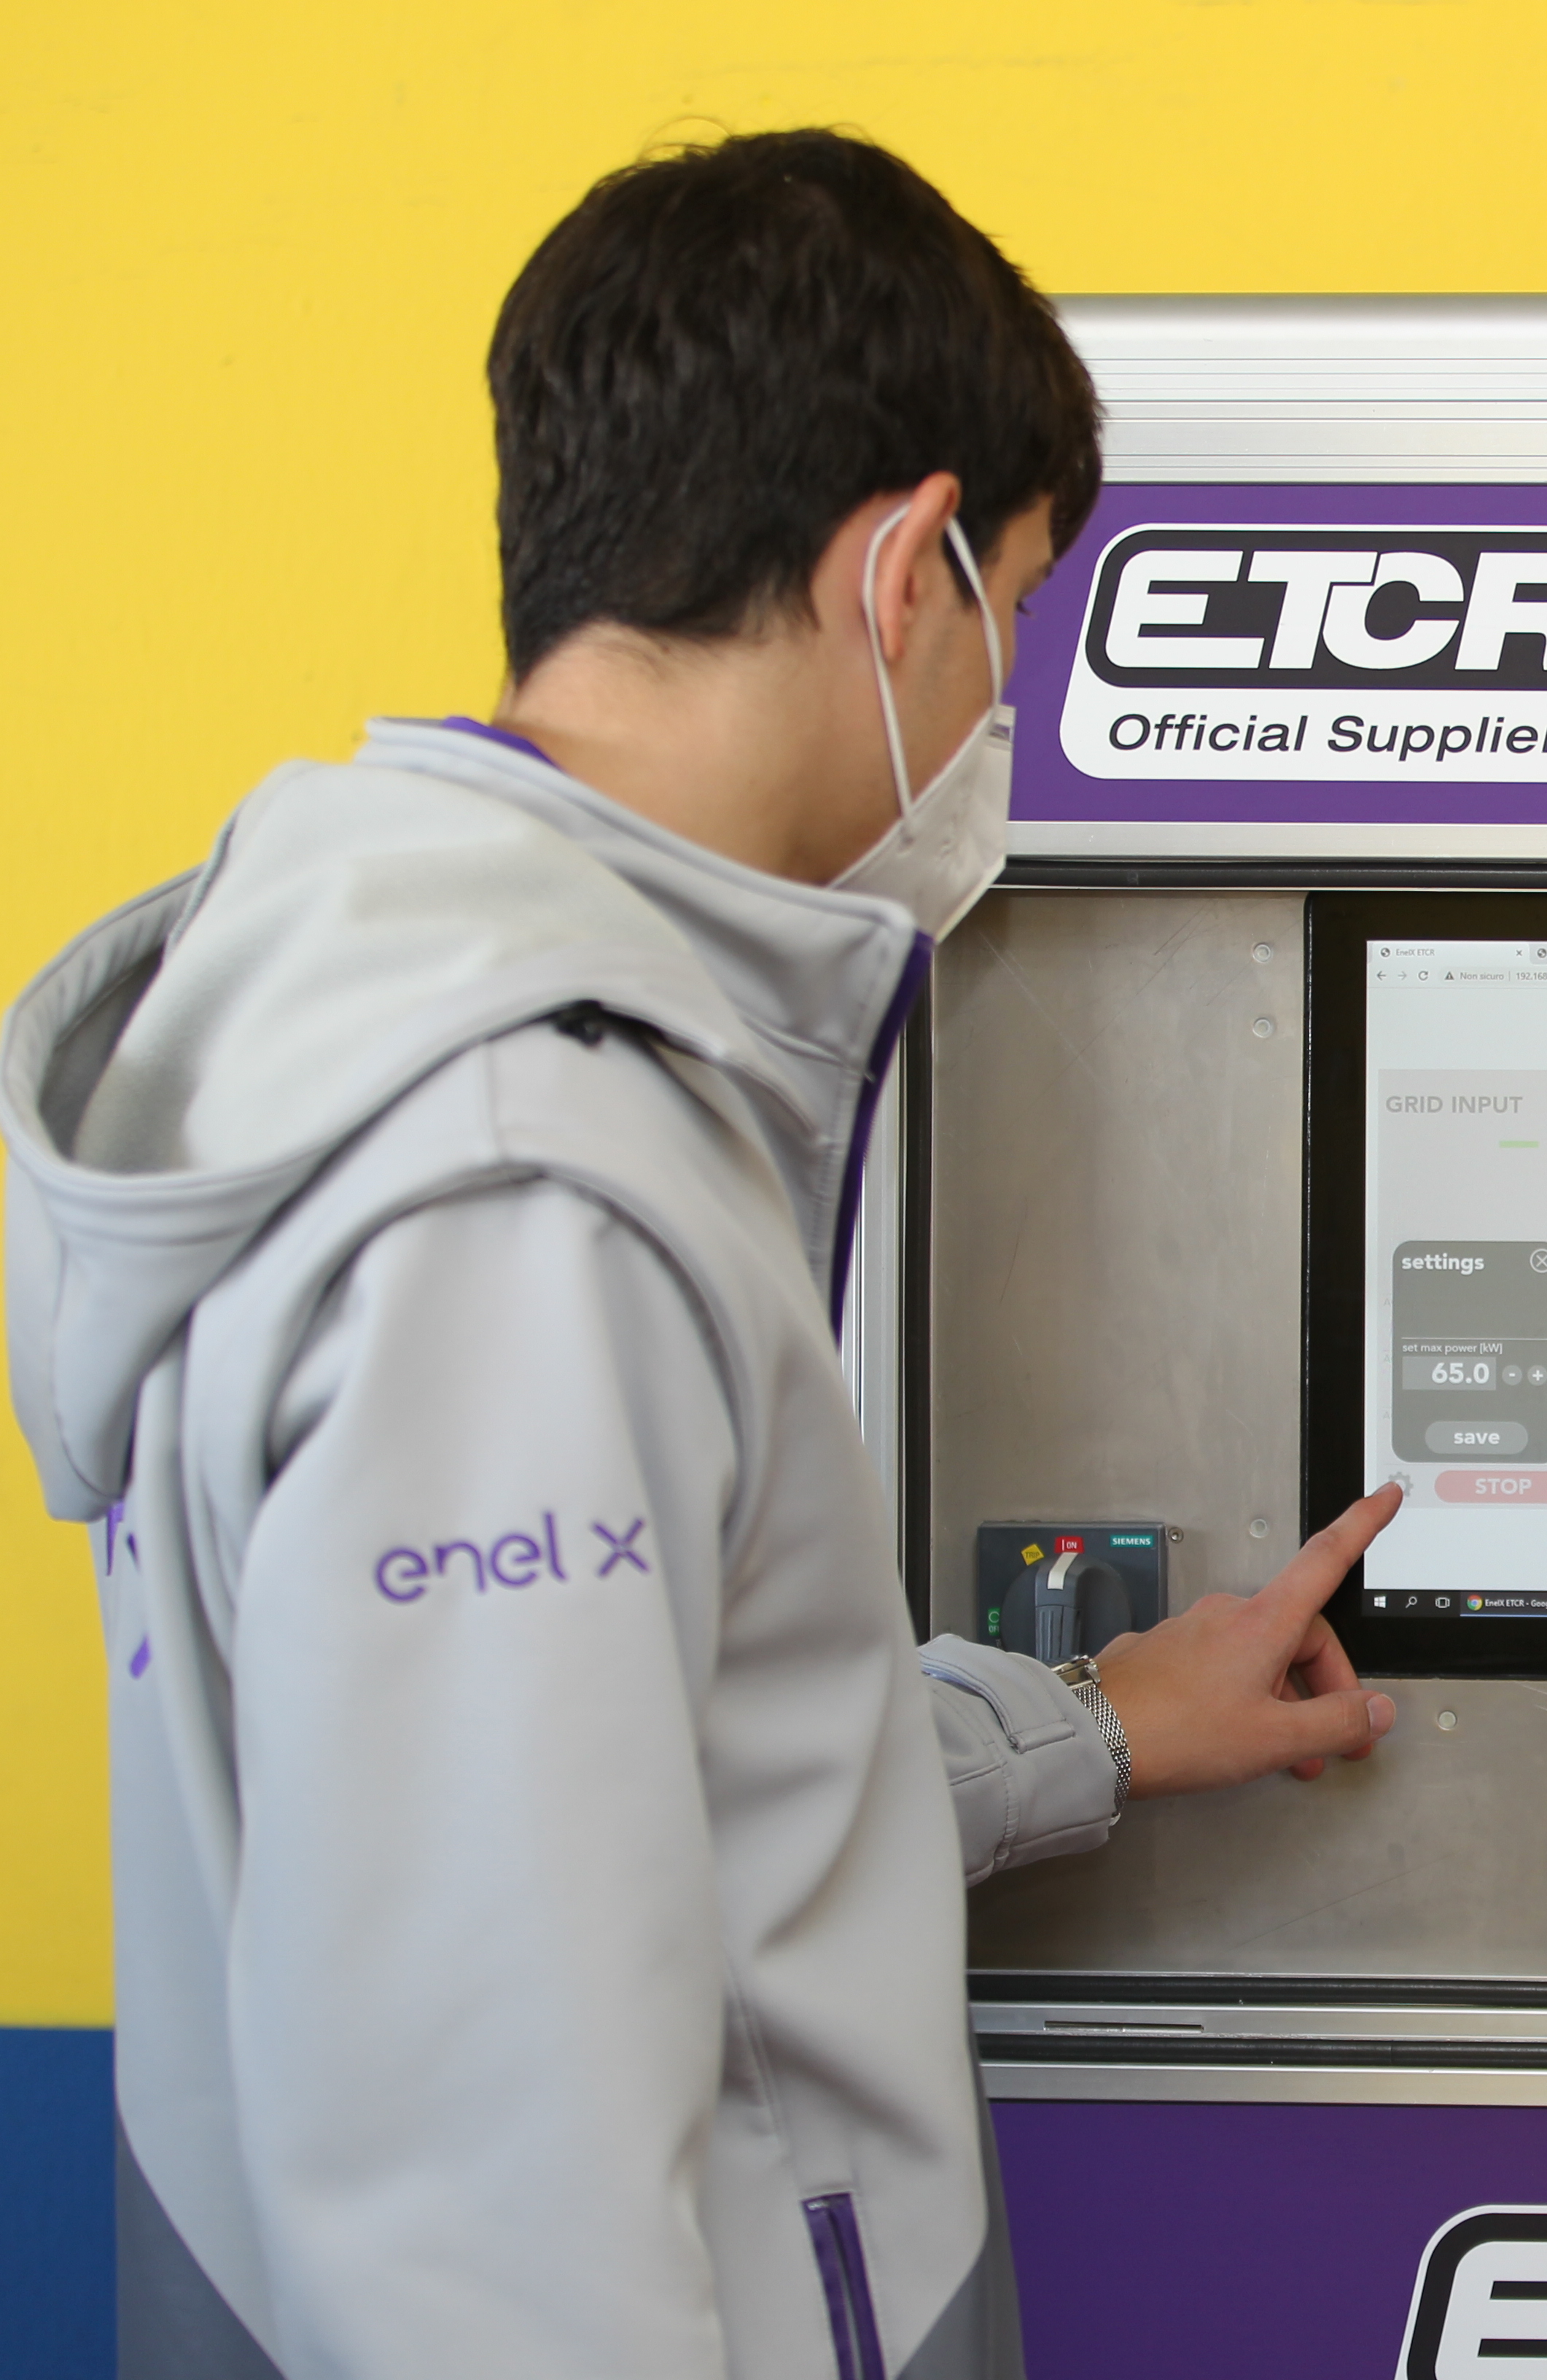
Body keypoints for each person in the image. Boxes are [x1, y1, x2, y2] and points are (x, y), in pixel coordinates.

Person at [1, 132, 1403, 2379]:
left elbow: (610, 1795)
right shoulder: (518, 1188)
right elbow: (491, 2197)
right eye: (1012, 614)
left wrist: (1085, 1730)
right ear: (903, 573)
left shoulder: (410, 1036)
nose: (998, 716)